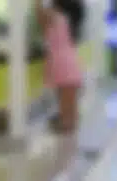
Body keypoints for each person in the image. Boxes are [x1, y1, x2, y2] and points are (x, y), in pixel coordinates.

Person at [35, 0, 84, 133]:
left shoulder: (55, 16)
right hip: (70, 59)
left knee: (65, 96)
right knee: (69, 97)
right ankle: (69, 124)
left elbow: (40, 16)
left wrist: (37, 2)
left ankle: (66, 124)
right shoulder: (68, 19)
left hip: (60, 61)